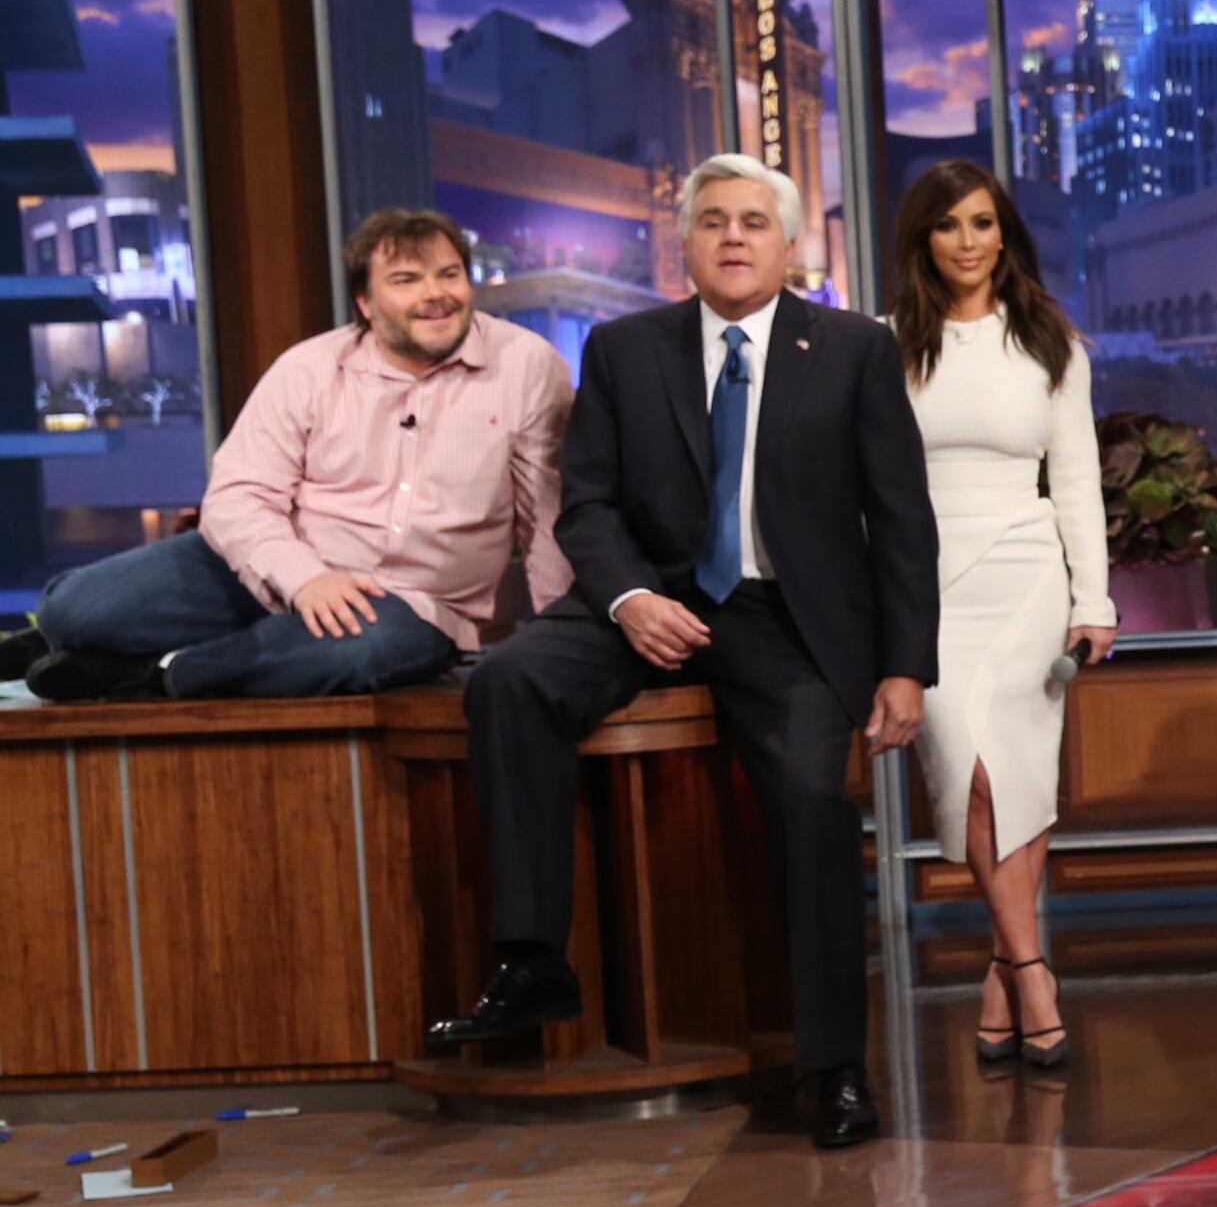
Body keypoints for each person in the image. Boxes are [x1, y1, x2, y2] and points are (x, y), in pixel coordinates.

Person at [436, 155, 939, 1151]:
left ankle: (833, 1066)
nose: (734, 237)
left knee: (813, 800)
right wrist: (629, 599)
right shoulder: (626, 349)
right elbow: (588, 504)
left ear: (788, 245)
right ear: (685, 246)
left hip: (785, 616)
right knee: (510, 681)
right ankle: (534, 959)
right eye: (713, 221)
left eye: (754, 221)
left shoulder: (852, 348)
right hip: (645, 598)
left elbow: (900, 516)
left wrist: (905, 666)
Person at [4, 211, 567, 703]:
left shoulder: (525, 366)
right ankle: (61, 640)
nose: (436, 294)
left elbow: (549, 515)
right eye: (406, 280)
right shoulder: (310, 368)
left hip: (413, 602)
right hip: (277, 566)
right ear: (365, 303)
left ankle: (157, 672)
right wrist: (305, 578)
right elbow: (237, 496)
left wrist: (565, 635)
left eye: (449, 275)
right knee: (74, 609)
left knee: (365, 651)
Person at [889, 162, 1116, 1072]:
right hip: (926, 584)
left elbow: (1078, 480)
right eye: (948, 225)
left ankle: (1012, 971)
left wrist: (1093, 599)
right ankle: (1026, 966)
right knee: (970, 774)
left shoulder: (1052, 344)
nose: (968, 241)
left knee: (1012, 779)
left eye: (982, 223)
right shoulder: (885, 345)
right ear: (923, 239)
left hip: (1026, 577)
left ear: (1004, 233)